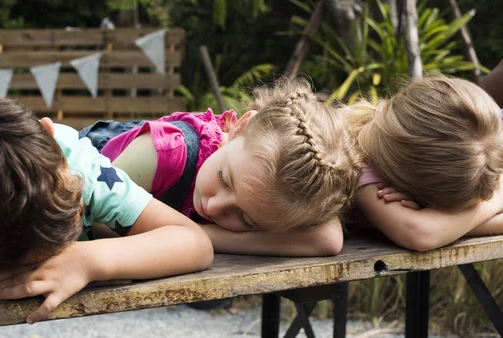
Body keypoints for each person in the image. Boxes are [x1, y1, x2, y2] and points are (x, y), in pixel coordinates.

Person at [0, 95, 214, 323]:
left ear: (50, 135)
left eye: (75, 207)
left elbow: (196, 244)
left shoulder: (79, 171)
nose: (69, 241)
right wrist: (32, 275)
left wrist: (90, 260)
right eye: (44, 255)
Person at [79, 78, 363, 257]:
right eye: (224, 179)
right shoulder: (166, 154)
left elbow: (327, 239)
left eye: (245, 219)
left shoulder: (263, 187)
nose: (214, 207)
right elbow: (96, 225)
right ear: (240, 127)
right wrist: (186, 240)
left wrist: (196, 238)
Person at [347, 74, 503, 251]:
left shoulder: (387, 143)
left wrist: (448, 225)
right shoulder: (357, 162)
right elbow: (422, 234)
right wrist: (496, 200)